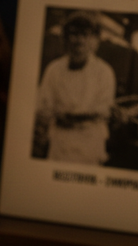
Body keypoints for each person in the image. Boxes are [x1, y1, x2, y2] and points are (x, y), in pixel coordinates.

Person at [33, 11, 116, 164]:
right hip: (60, 144)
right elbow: (43, 106)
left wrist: (69, 117)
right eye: (73, 34)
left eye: (85, 35)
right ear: (64, 39)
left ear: (95, 41)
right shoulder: (54, 69)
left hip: (90, 145)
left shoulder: (104, 72)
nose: (79, 41)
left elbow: (104, 111)